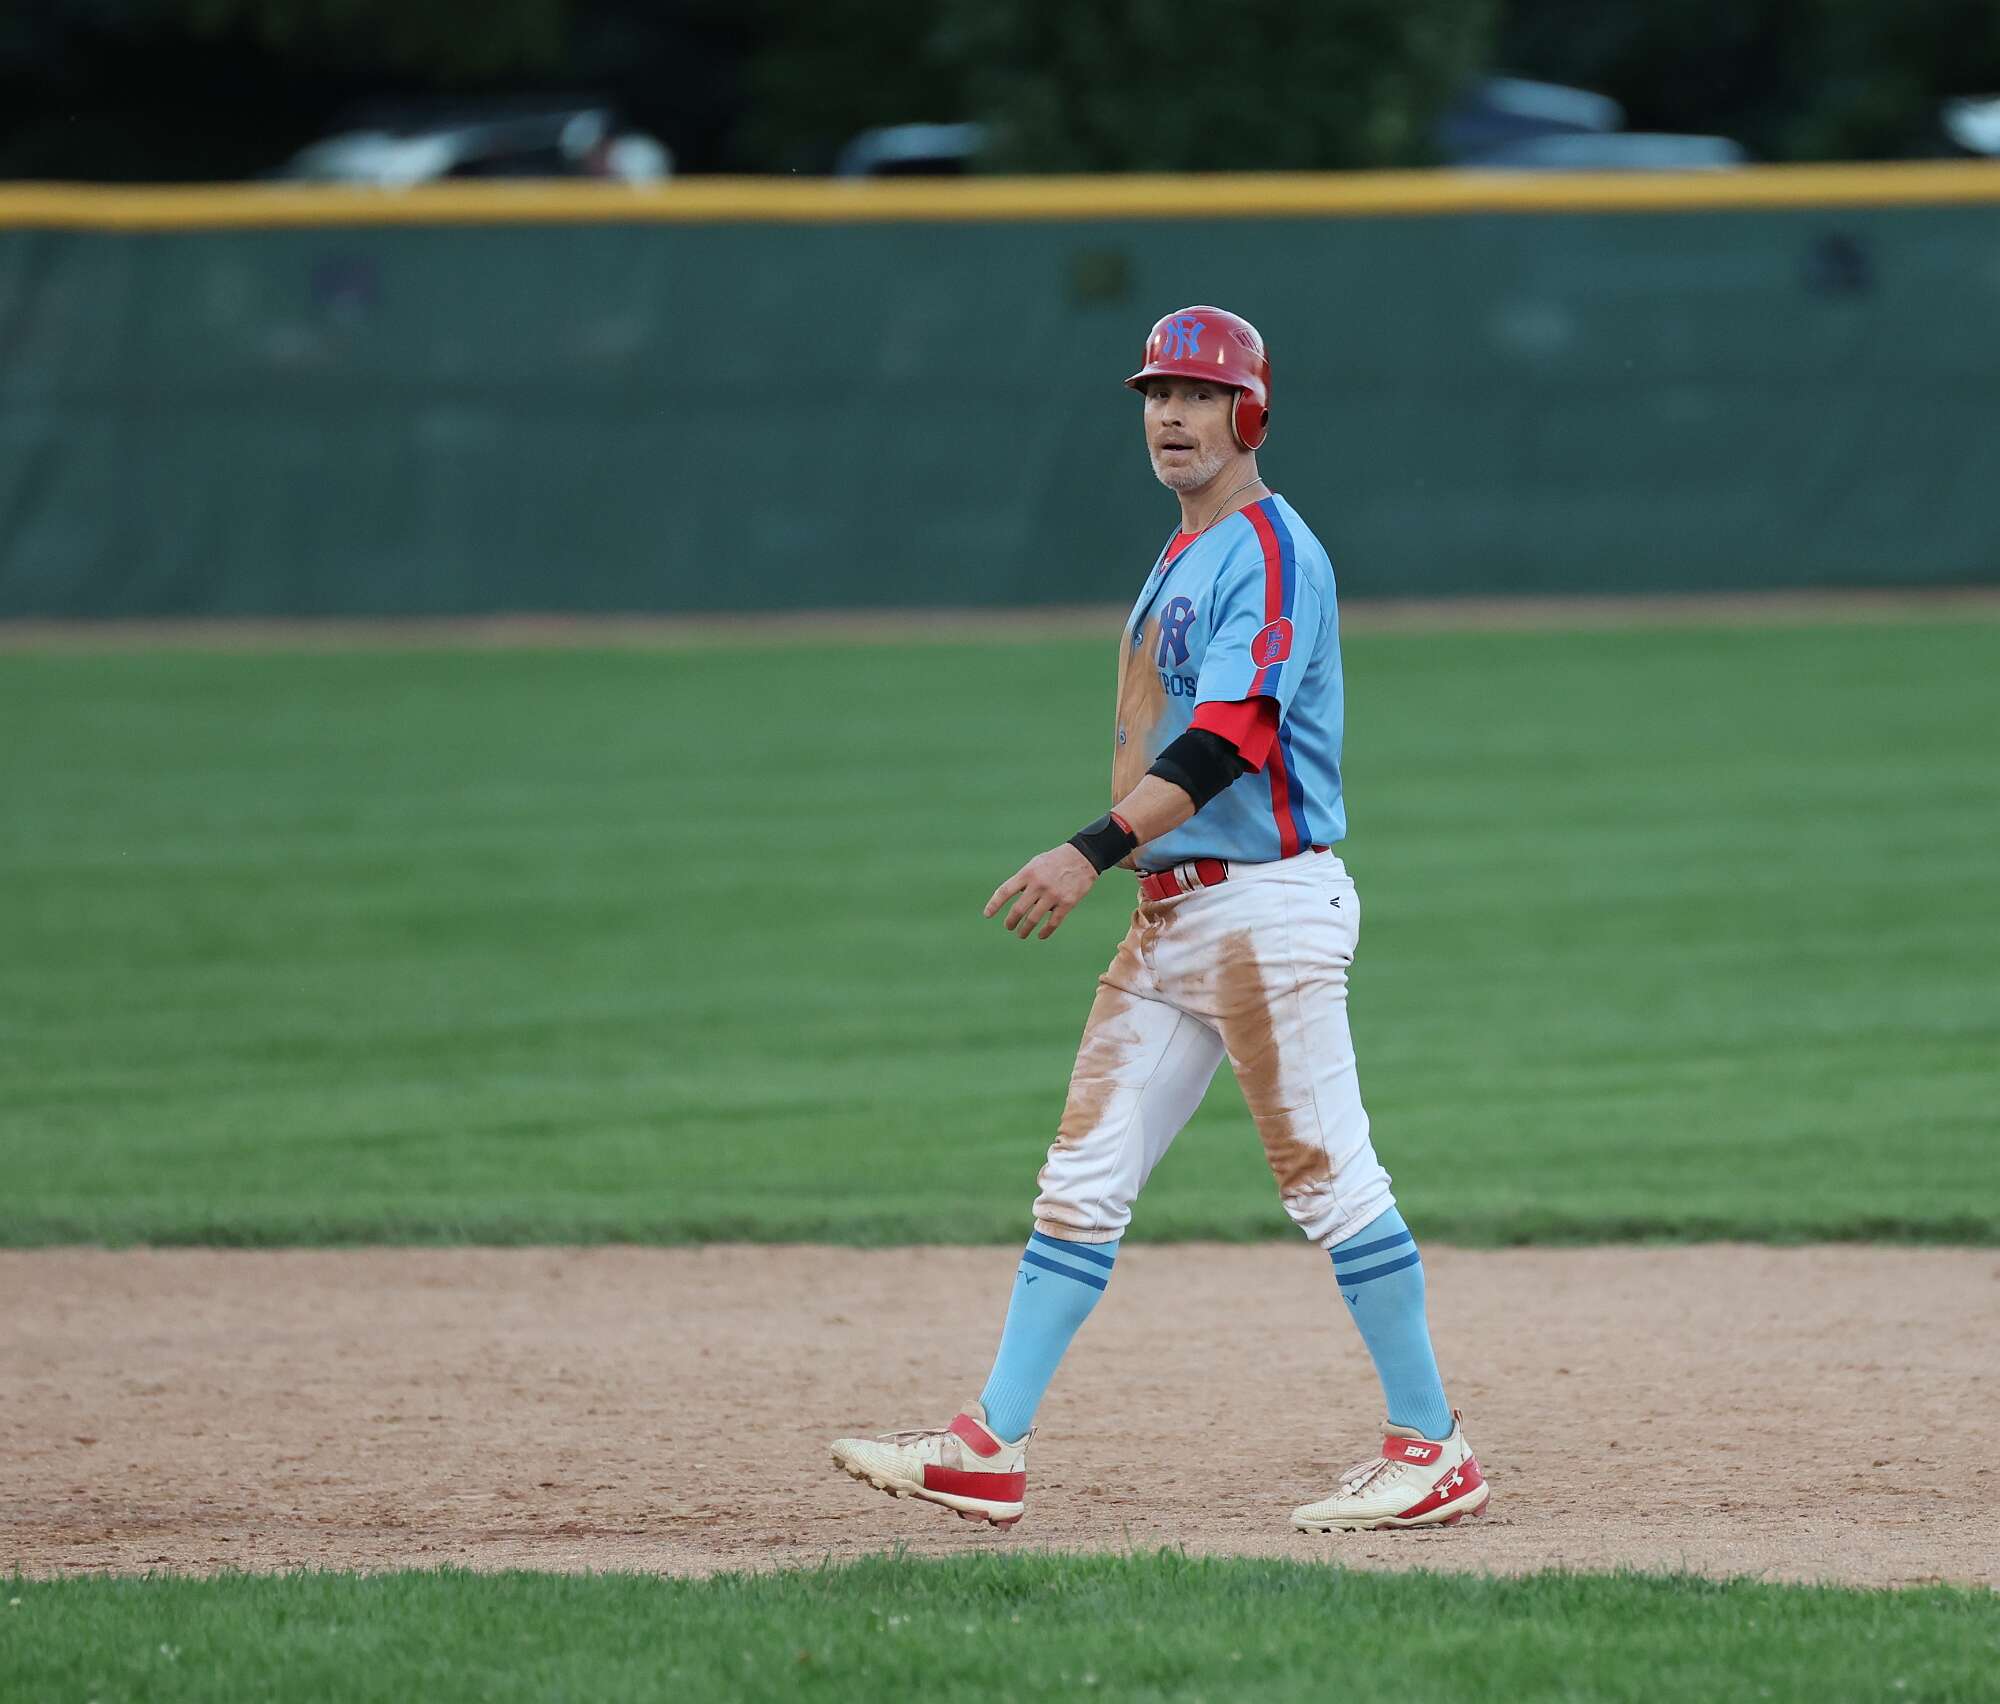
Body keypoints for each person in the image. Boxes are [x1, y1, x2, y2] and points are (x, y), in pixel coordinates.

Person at [830, 306, 1489, 1535]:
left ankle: (1430, 1448)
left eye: (1197, 395)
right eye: (1156, 395)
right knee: (1081, 1180)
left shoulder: (1270, 550)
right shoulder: (1184, 551)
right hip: (1173, 917)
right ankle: (988, 1446)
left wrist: (1088, 849)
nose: (1171, 416)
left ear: (1250, 413)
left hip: (1264, 909)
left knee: (1328, 1179)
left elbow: (1231, 737)